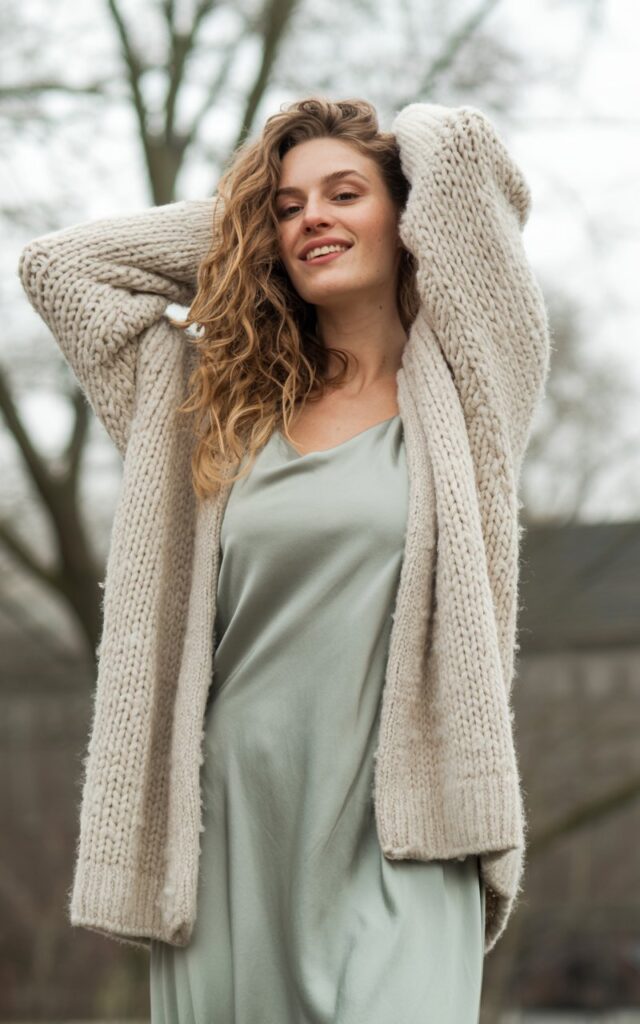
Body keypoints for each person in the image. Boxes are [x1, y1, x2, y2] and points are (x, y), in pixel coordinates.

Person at [17, 96, 551, 1023]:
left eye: (346, 195)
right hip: (228, 833)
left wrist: (358, 153)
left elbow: (462, 155)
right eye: (288, 207)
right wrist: (246, 222)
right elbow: (61, 267)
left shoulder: (470, 391)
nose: (312, 217)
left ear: (408, 214)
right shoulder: (207, 404)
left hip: (407, 832)